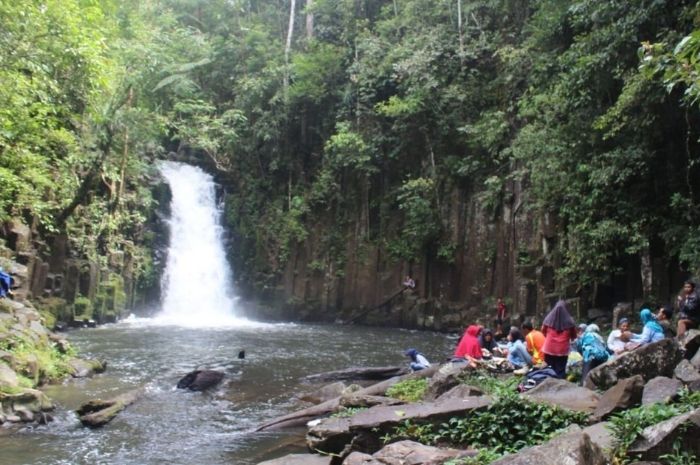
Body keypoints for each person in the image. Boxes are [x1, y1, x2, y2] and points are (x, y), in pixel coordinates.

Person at [541, 300, 577, 379]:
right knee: (560, 370)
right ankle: (559, 387)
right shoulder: (570, 322)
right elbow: (574, 336)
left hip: (549, 349)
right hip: (562, 350)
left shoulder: (548, 319)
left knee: (548, 368)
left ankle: (546, 386)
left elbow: (543, 331)